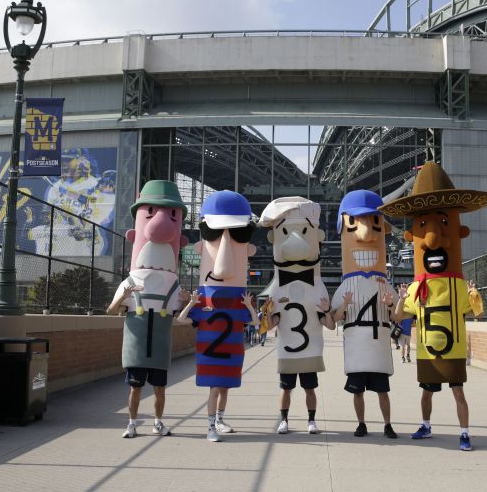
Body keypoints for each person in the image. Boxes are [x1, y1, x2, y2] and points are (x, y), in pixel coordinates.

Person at [382, 161, 487, 451]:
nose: (432, 240)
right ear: (413, 237)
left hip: (453, 351)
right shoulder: (415, 288)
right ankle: (426, 425)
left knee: (458, 393)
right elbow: (398, 317)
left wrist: (474, 295)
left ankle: (465, 433)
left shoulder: (458, 286)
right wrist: (398, 299)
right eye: (422, 227)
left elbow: (477, 313)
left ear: (458, 232)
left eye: (444, 223)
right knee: (426, 394)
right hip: (427, 352)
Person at [106, 180, 188, 439]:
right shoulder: (129, 282)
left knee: (160, 389)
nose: (160, 224)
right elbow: (110, 311)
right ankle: (131, 424)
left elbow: (180, 316)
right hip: (136, 347)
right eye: (150, 212)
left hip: (160, 347)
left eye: (172, 215)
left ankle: (158, 422)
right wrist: (123, 297)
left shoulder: (173, 285)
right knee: (135, 388)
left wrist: (189, 302)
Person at [176, 190, 260, 442]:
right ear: (201, 245)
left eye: (238, 234)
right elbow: (181, 320)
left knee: (225, 389)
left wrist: (250, 306)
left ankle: (220, 420)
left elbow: (256, 323)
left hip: (231, 353)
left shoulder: (238, 300)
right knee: (214, 389)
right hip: (211, 354)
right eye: (212, 233)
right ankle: (210, 426)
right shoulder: (204, 298)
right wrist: (190, 304)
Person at [259, 197, 336, 435]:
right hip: (287, 349)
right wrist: (265, 314)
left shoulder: (318, 286)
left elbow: (330, 325)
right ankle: (284, 420)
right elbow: (269, 326)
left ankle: (311, 421)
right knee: (286, 388)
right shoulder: (276, 288)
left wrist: (327, 311)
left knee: (310, 389)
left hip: (310, 348)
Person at [330, 190, 398, 438]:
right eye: (354, 223)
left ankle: (387, 424)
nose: (367, 235)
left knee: (382, 391)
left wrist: (391, 305)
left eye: (375, 224)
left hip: (378, 347)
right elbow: (333, 320)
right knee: (357, 391)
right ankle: (361, 423)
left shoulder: (384, 284)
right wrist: (344, 306)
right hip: (357, 349)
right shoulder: (345, 286)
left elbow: (399, 317)